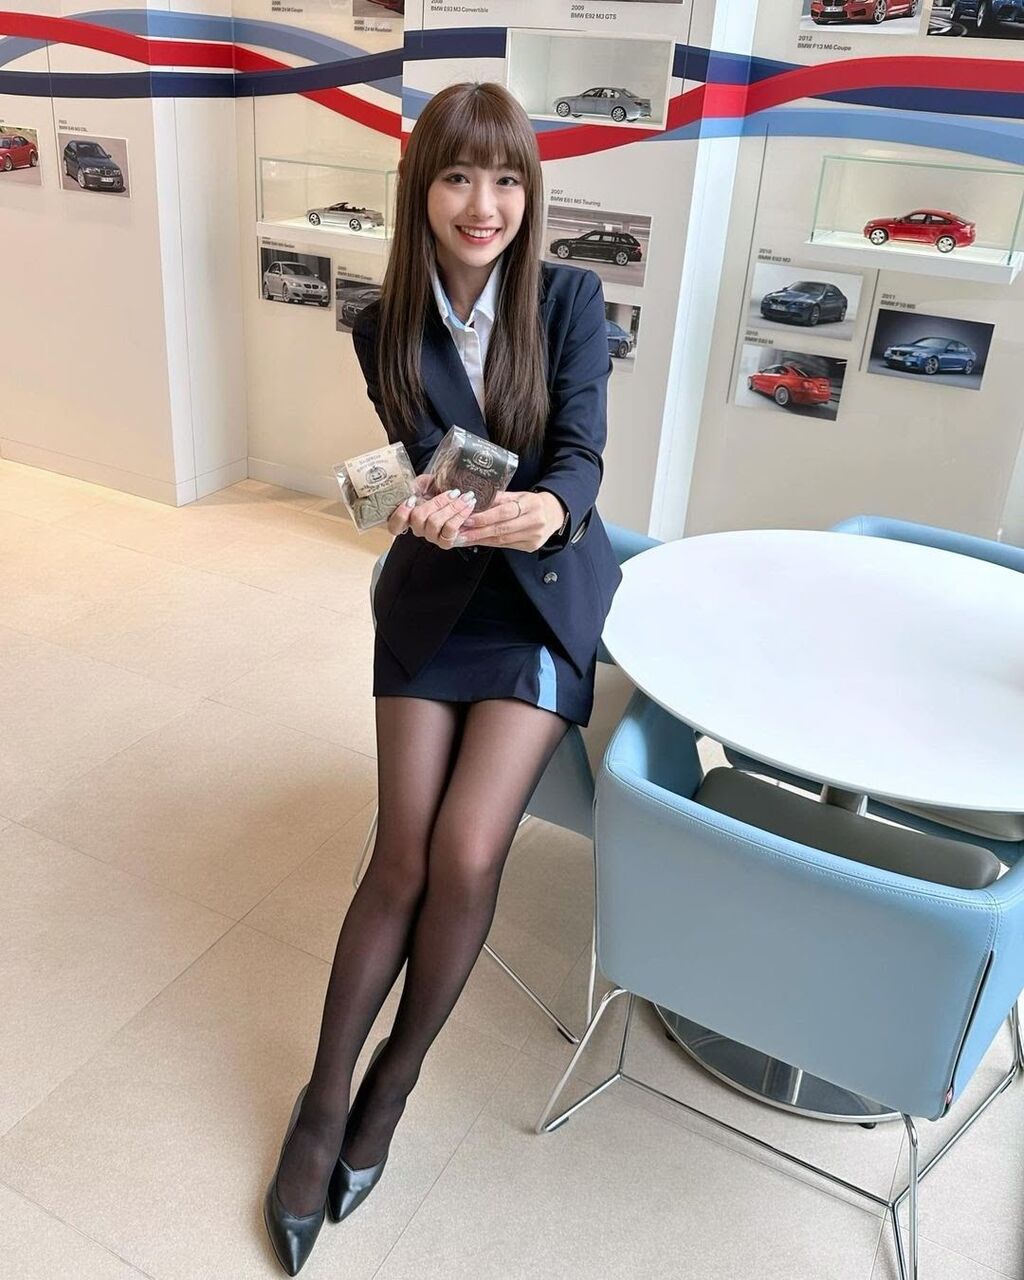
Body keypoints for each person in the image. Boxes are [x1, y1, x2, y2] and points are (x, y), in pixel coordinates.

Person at [263, 80, 622, 1275]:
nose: (484, 204)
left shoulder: (568, 299)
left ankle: (393, 1083)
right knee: (401, 854)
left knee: (468, 853)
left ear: (530, 191)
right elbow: (424, 463)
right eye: (460, 176)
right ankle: (323, 1102)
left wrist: (552, 507)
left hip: (539, 602)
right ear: (422, 187)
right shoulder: (381, 323)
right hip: (437, 602)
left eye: (507, 178)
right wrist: (419, 503)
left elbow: (581, 450)